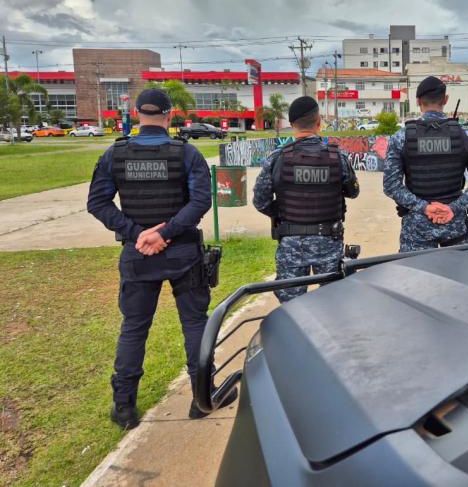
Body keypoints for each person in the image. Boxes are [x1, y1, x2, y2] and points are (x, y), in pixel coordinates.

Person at [87, 88, 235, 430]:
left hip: (138, 254)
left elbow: (98, 203)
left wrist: (137, 232)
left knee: (134, 329)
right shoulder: (187, 154)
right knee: (195, 324)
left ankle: (124, 408)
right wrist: (163, 233)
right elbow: (200, 202)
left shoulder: (115, 154)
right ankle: (203, 397)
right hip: (182, 252)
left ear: (138, 114)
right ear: (170, 115)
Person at [253, 96, 359, 302]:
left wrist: (284, 210)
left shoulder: (277, 158)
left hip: (291, 245)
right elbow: (353, 192)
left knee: (291, 309)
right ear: (319, 122)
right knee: (333, 305)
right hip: (329, 243)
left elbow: (261, 201)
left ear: (291, 125)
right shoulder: (337, 157)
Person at [383, 76, 468, 251]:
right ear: (446, 100)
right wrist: (454, 208)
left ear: (418, 101)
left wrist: (424, 208)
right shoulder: (467, 136)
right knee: (456, 278)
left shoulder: (401, 138)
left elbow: (391, 186)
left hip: (416, 230)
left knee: (415, 279)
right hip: (455, 227)